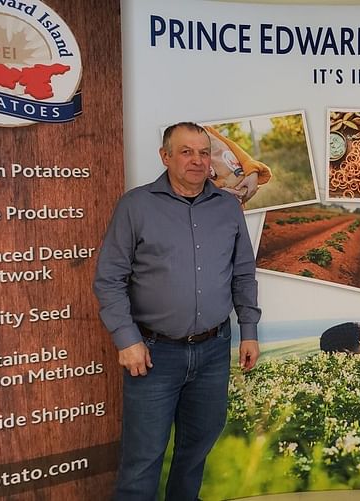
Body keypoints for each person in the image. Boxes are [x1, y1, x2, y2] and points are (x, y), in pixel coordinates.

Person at [93, 122, 262, 500]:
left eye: (204, 152)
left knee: (194, 453)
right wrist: (127, 339)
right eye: (186, 152)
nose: (197, 160)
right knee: (143, 460)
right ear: (165, 156)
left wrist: (248, 329)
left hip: (213, 350)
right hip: (154, 354)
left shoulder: (227, 207)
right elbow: (109, 279)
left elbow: (242, 272)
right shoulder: (136, 206)